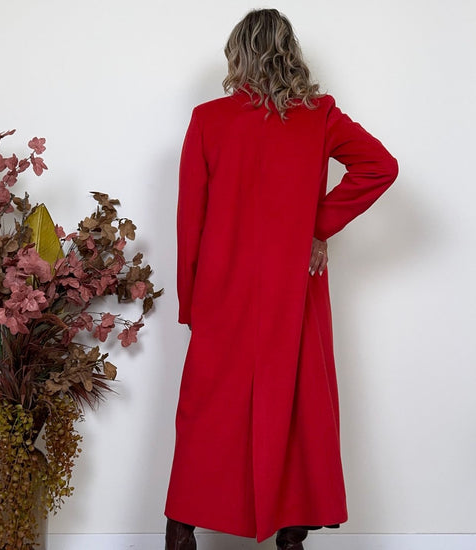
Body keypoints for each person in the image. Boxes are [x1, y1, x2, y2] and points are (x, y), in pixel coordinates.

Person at [165, 8, 398, 550]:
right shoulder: (320, 116)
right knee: (296, 405)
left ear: (238, 54)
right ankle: (291, 538)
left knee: (208, 409)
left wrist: (190, 304)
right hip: (294, 286)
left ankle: (181, 531)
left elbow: (189, 221)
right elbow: (379, 167)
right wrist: (317, 227)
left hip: (222, 287)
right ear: (290, 52)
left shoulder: (209, 119)